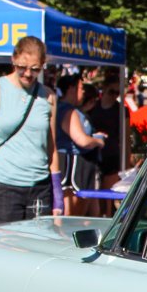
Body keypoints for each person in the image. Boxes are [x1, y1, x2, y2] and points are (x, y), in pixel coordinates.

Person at [0, 35, 59, 226]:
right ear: (13, 59)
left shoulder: (48, 96)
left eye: (34, 69)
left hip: (39, 188)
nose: (27, 74)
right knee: (4, 252)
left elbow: (51, 148)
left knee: (37, 251)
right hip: (2, 187)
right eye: (22, 67)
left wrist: (57, 195)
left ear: (42, 65)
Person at [56, 75, 107, 217]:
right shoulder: (67, 111)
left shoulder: (69, 109)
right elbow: (81, 140)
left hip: (78, 164)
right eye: (81, 88)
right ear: (71, 88)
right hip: (73, 165)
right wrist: (98, 141)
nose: (83, 92)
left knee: (85, 209)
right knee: (74, 214)